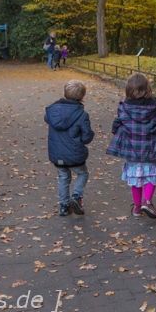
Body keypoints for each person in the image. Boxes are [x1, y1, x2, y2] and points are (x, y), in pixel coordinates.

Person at [106, 73, 156, 219]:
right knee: (151, 175)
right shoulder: (154, 106)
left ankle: (137, 208)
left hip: (131, 149)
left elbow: (116, 125)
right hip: (149, 148)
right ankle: (148, 201)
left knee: (135, 178)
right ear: (147, 88)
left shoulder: (124, 107)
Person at [45, 80, 94, 216]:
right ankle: (76, 196)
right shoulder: (82, 115)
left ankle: (64, 206)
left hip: (57, 154)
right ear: (82, 97)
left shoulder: (52, 111)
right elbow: (86, 138)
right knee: (82, 173)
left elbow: (47, 119)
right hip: (74, 154)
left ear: (64, 94)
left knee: (63, 177)